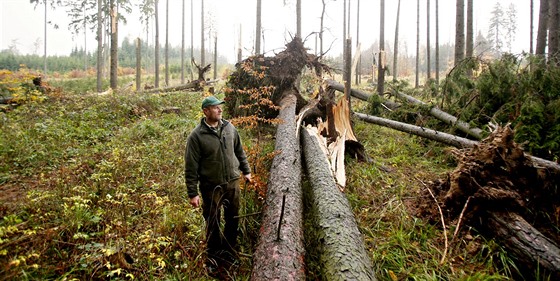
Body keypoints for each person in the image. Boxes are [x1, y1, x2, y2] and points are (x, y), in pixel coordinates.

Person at [184, 95, 251, 276]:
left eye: (220, 107)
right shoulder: (196, 136)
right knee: (212, 222)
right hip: (211, 187)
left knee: (232, 218)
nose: (220, 110)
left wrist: (246, 171)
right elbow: (191, 167)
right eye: (215, 108)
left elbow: (239, 151)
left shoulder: (230, 128)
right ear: (206, 111)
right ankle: (214, 257)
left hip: (232, 184)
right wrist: (193, 193)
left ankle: (229, 252)